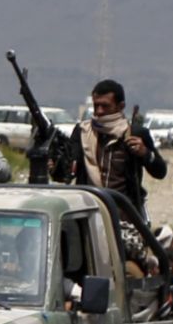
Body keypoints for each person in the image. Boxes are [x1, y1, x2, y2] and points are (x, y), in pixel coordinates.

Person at [67, 79, 167, 219]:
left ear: (120, 106)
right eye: (96, 106)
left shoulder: (136, 133)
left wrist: (145, 153)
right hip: (89, 215)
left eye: (105, 106)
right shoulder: (83, 132)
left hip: (125, 215)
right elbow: (67, 171)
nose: (99, 111)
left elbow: (160, 171)